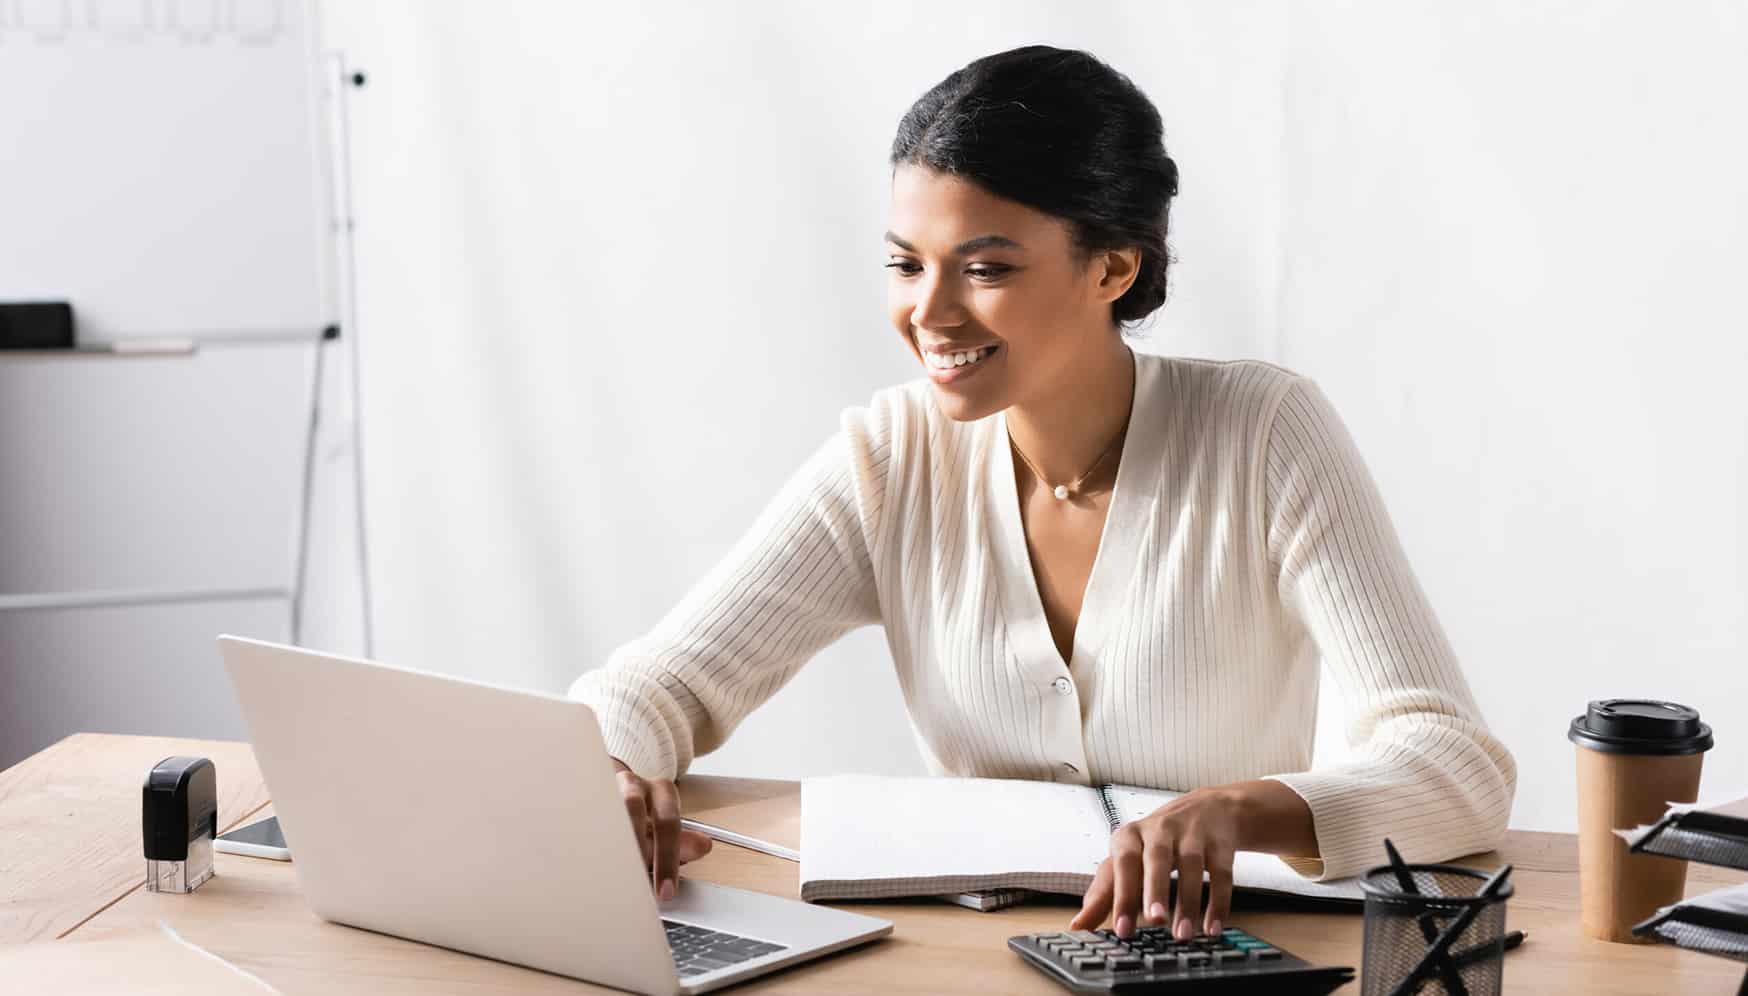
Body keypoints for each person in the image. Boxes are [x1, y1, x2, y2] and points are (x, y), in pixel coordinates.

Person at [570, 44, 1516, 943]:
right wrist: (611, 771)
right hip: (957, 962)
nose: (929, 313)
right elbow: (656, 686)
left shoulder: (1262, 432)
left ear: (1113, 266)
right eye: (906, 263)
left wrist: (1240, 810)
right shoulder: (891, 456)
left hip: (1213, 962)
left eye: (985, 270)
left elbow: (1455, 763)